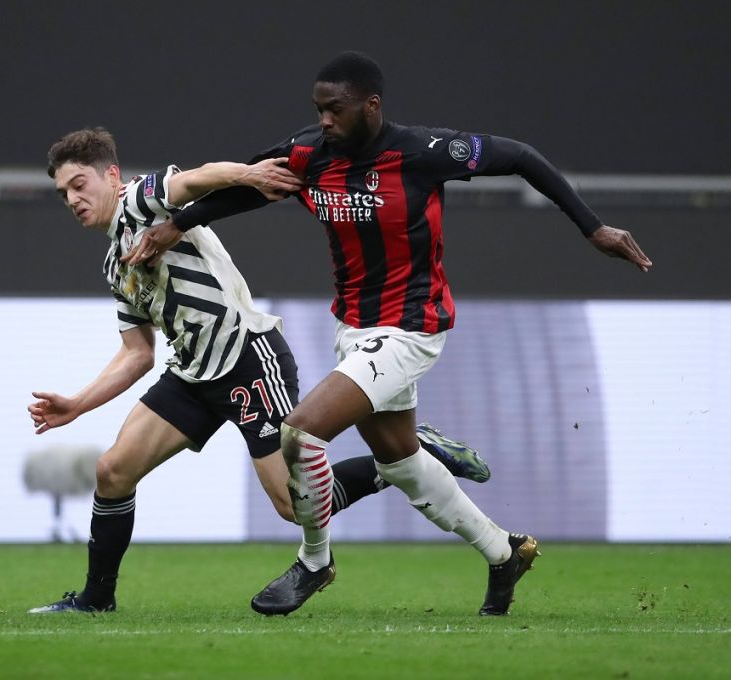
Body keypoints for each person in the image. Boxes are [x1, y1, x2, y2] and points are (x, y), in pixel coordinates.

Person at [122, 51, 653, 617]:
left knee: (300, 434)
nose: (325, 120)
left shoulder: (422, 152)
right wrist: (175, 225)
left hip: (412, 326)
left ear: (371, 106)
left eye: (336, 109)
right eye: (319, 109)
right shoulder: (309, 152)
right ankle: (504, 553)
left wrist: (592, 226)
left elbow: (520, 156)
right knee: (401, 463)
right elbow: (250, 189)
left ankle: (314, 562)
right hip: (354, 328)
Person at [26, 126, 491, 614]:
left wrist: (249, 174)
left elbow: (197, 178)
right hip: (190, 374)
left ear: (111, 175)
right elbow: (137, 353)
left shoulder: (141, 199)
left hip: (247, 358)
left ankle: (406, 457)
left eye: (80, 184)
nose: (72, 199)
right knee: (112, 471)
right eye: (63, 194)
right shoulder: (114, 263)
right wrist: (77, 404)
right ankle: (97, 599)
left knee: (296, 507)